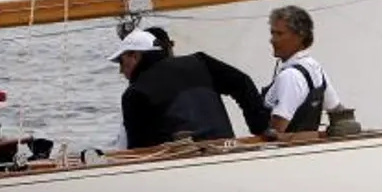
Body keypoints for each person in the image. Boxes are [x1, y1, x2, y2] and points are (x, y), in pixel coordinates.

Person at [110, 29, 268, 148]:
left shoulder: (134, 94)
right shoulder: (200, 62)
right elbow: (242, 82)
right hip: (225, 151)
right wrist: (260, 126)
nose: (121, 71)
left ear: (135, 56)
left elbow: (140, 150)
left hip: (181, 166)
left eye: (121, 62)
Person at [262, 4, 342, 138]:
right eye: (272, 33)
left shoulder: (290, 76)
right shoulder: (314, 68)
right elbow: (338, 111)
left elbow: (275, 133)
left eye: (279, 34)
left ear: (300, 36)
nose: (272, 40)